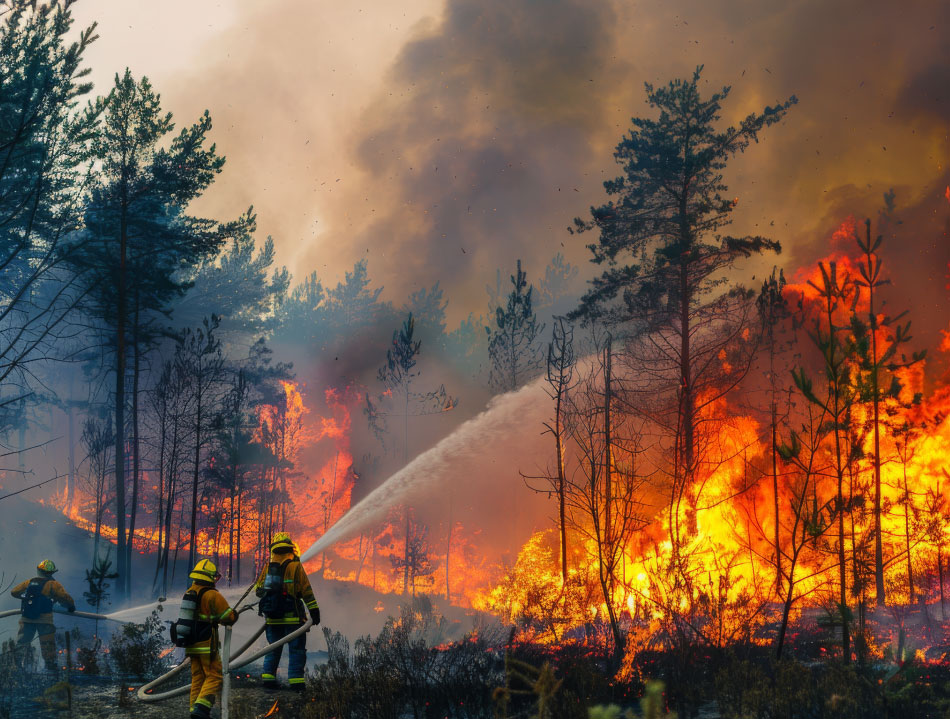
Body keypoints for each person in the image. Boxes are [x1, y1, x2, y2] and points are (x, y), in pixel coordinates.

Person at [255, 532, 320, 690]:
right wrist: (314, 610)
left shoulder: (268, 567)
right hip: (293, 619)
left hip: (272, 618)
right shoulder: (295, 566)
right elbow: (306, 591)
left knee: (273, 648)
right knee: (296, 650)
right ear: (291, 548)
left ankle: (268, 679)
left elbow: (258, 591)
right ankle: (296, 683)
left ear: (274, 550)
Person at [183, 559, 238, 719]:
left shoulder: (189, 592)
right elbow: (227, 617)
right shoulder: (212, 595)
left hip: (191, 644)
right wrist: (235, 615)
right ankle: (201, 709)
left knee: (198, 677)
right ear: (210, 577)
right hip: (207, 643)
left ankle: (194, 710)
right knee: (214, 675)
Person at [10, 559, 75, 671]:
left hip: (27, 619)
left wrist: (25, 598)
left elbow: (14, 592)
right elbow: (65, 598)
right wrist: (71, 607)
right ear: (51, 573)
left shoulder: (30, 581)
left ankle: (16, 668)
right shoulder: (54, 584)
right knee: (48, 647)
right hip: (45, 621)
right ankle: (50, 671)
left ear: (38, 570)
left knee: (21, 644)